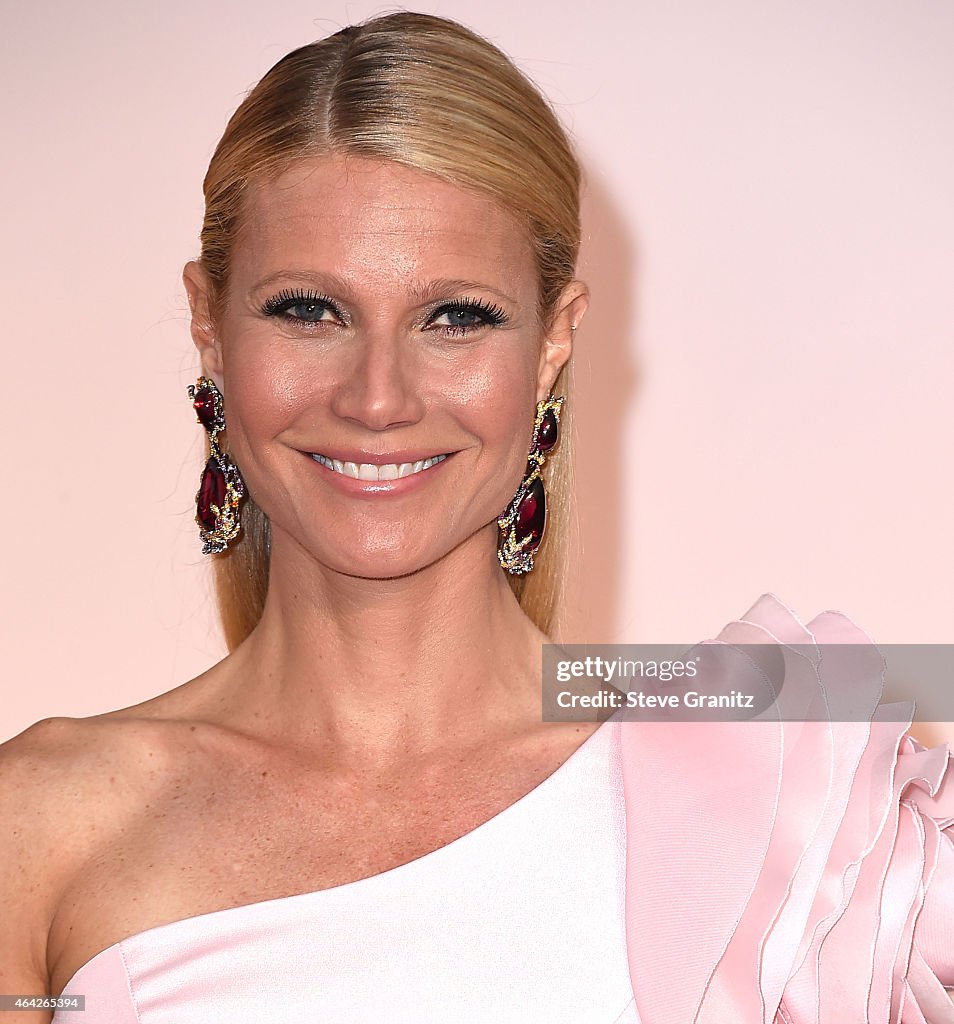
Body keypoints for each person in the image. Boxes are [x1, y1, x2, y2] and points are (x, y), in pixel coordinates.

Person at [0, 12, 950, 1023]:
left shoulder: (787, 802)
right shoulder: (45, 824)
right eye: (308, 310)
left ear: (553, 343)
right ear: (208, 323)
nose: (377, 398)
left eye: (456, 317)